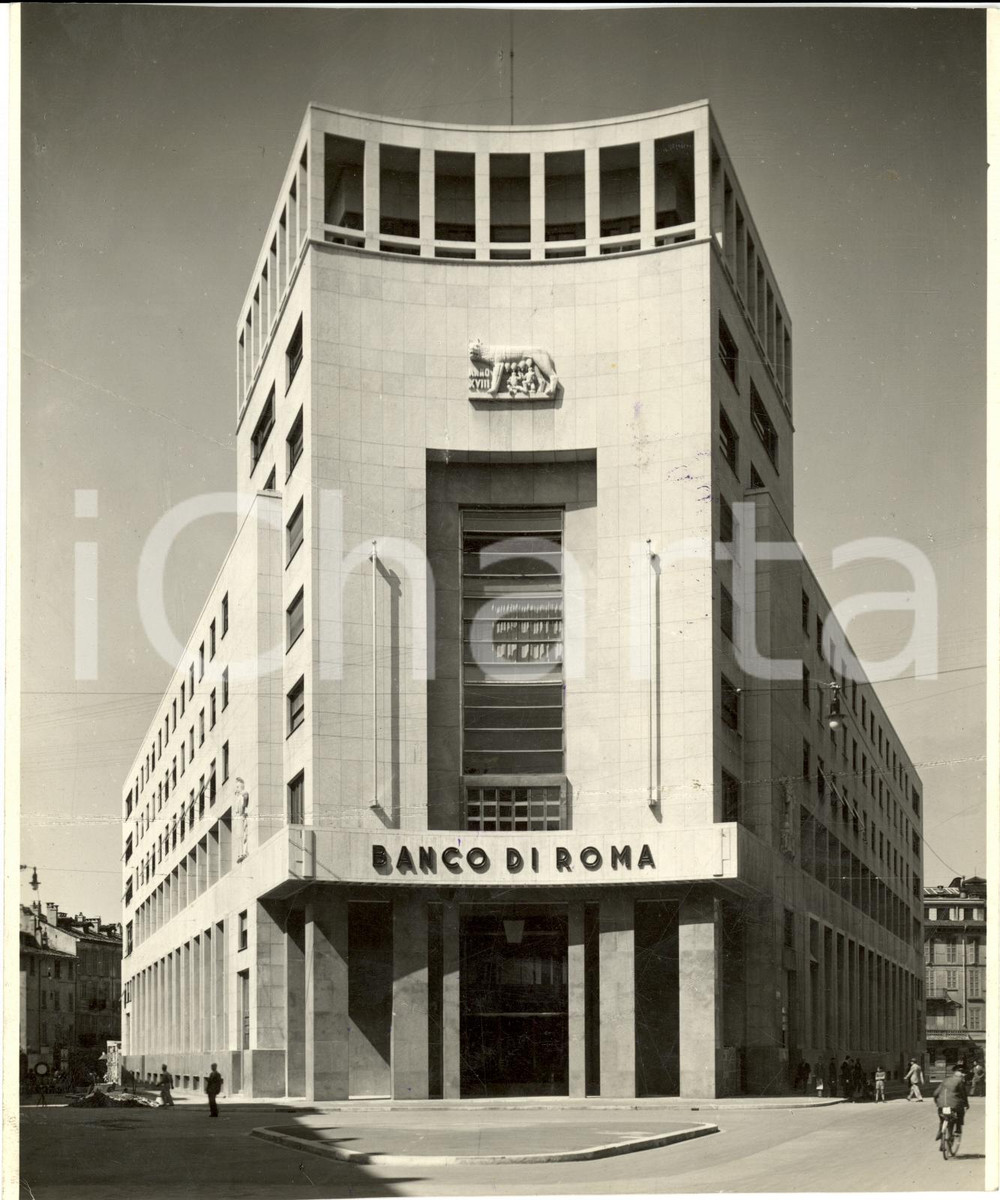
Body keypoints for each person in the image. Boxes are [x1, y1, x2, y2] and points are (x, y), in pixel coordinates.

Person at [933, 1065, 968, 1140]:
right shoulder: (960, 1081)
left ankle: (940, 1130)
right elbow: (963, 1094)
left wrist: (937, 1102)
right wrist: (966, 1104)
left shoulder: (945, 1080)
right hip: (954, 1105)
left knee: (942, 1118)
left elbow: (935, 1093)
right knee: (960, 1112)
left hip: (941, 1104)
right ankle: (958, 1129)